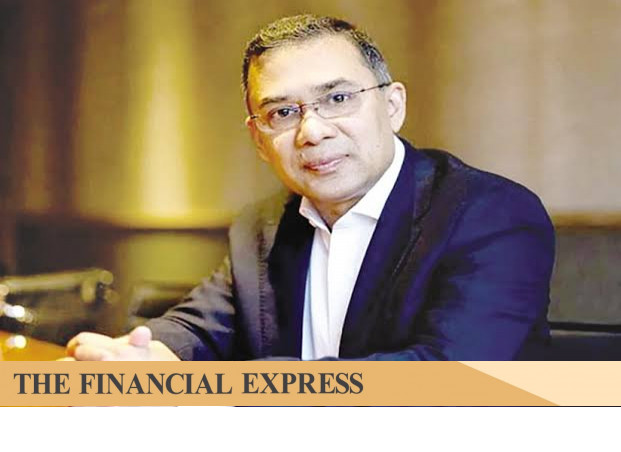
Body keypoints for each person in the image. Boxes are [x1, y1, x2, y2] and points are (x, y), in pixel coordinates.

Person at [66, 14, 555, 361]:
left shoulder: (491, 215)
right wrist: (144, 356)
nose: (312, 131)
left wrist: (249, 391)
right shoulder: (263, 226)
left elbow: (448, 378)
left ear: (392, 107)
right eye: (283, 112)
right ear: (259, 140)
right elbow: (201, 326)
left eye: (337, 99)